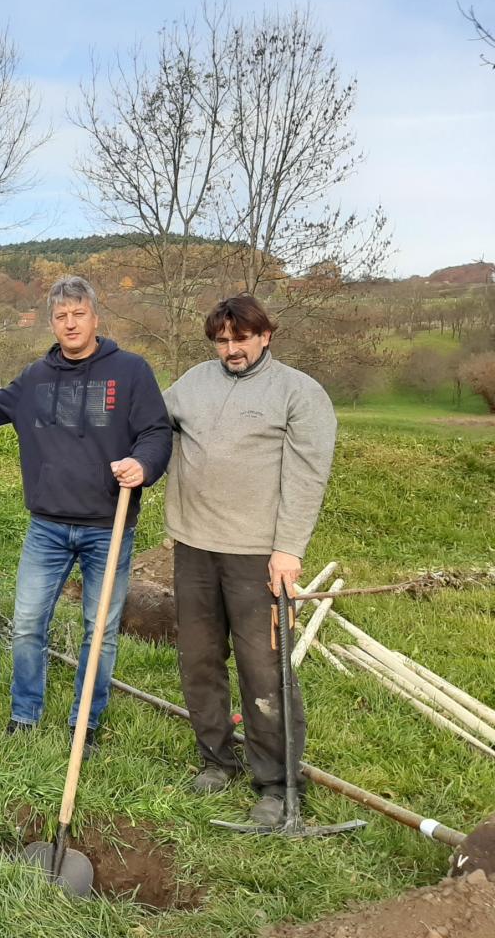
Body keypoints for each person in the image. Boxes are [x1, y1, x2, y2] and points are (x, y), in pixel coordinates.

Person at [0, 275, 171, 754]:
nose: (70, 323)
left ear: (95, 318)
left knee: (99, 631)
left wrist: (143, 464)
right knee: (27, 623)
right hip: (47, 526)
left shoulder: (130, 371)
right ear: (51, 323)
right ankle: (25, 715)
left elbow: (156, 432)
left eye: (78, 314)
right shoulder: (35, 378)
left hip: (108, 525)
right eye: (61, 316)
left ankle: (87, 720)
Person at [164, 292, 337, 826]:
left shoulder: (299, 393)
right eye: (222, 340)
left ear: (266, 335)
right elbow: (148, 426)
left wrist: (289, 550)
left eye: (241, 338)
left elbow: (307, 477)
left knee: (264, 669)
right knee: (199, 659)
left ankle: (277, 784)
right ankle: (216, 759)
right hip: (194, 547)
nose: (231, 349)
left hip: (257, 555)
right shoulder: (192, 383)